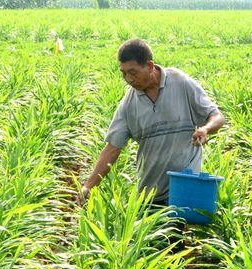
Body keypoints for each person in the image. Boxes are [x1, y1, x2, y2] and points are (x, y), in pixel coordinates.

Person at [79, 39, 225, 206]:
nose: (128, 79)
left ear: (149, 66)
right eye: (123, 73)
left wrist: (205, 129)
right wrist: (88, 186)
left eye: (133, 72)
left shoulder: (181, 82)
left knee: (176, 230)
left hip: (183, 189)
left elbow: (217, 116)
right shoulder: (128, 105)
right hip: (149, 196)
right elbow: (112, 148)